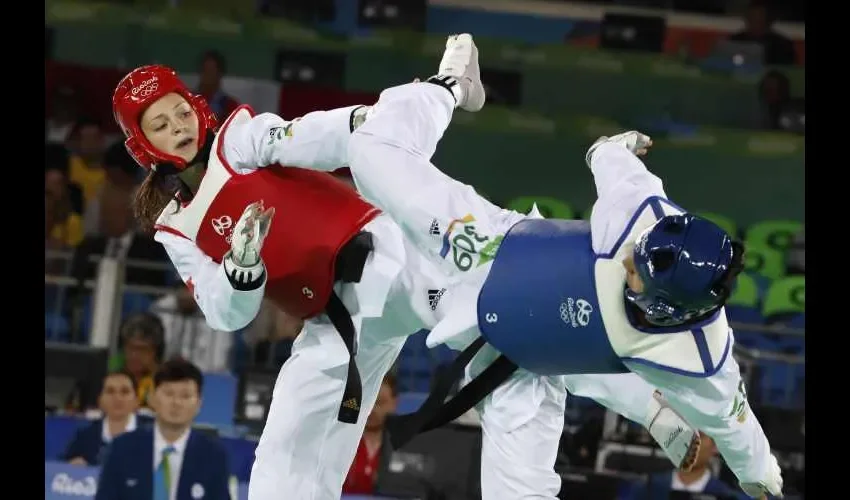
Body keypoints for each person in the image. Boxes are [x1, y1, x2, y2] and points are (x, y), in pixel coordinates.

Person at [111, 44, 701, 500]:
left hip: (391, 258)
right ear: (143, 145)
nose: (179, 127)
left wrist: (373, 122)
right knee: (284, 452)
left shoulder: (238, 140)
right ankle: (447, 87)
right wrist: (242, 269)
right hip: (336, 322)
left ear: (196, 105)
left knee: (509, 326)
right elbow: (225, 314)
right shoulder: (176, 228)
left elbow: (317, 136)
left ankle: (650, 406)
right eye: (160, 125)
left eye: (179, 111)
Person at [330, 34, 783, 500]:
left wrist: (759, 472)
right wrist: (613, 150)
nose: (629, 257)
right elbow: (607, 158)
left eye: (637, 272)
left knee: (576, 366)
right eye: (637, 251)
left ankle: (650, 408)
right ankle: (443, 88)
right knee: (374, 157)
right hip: (493, 248)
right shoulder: (640, 215)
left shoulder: (700, 358)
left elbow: (735, 424)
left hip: (524, 366)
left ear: (666, 308)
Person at [95, 359, 230, 500]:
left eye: (185, 396)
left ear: (198, 404)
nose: (176, 403)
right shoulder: (122, 449)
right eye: (169, 394)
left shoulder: (213, 456)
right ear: (152, 398)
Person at [61, 370, 153, 466]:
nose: (117, 398)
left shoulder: (153, 433)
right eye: (110, 391)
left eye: (125, 392)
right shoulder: (85, 437)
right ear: (100, 400)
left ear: (137, 401)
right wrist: (72, 465)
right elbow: (61, 467)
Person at [633, 432, 746, 500]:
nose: (691, 442)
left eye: (700, 435)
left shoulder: (728, 496)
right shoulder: (647, 488)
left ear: (714, 446)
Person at [342, 373, 397, 495]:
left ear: (394, 403)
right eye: (366, 402)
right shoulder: (341, 441)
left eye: (380, 402)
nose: (372, 410)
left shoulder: (405, 444)